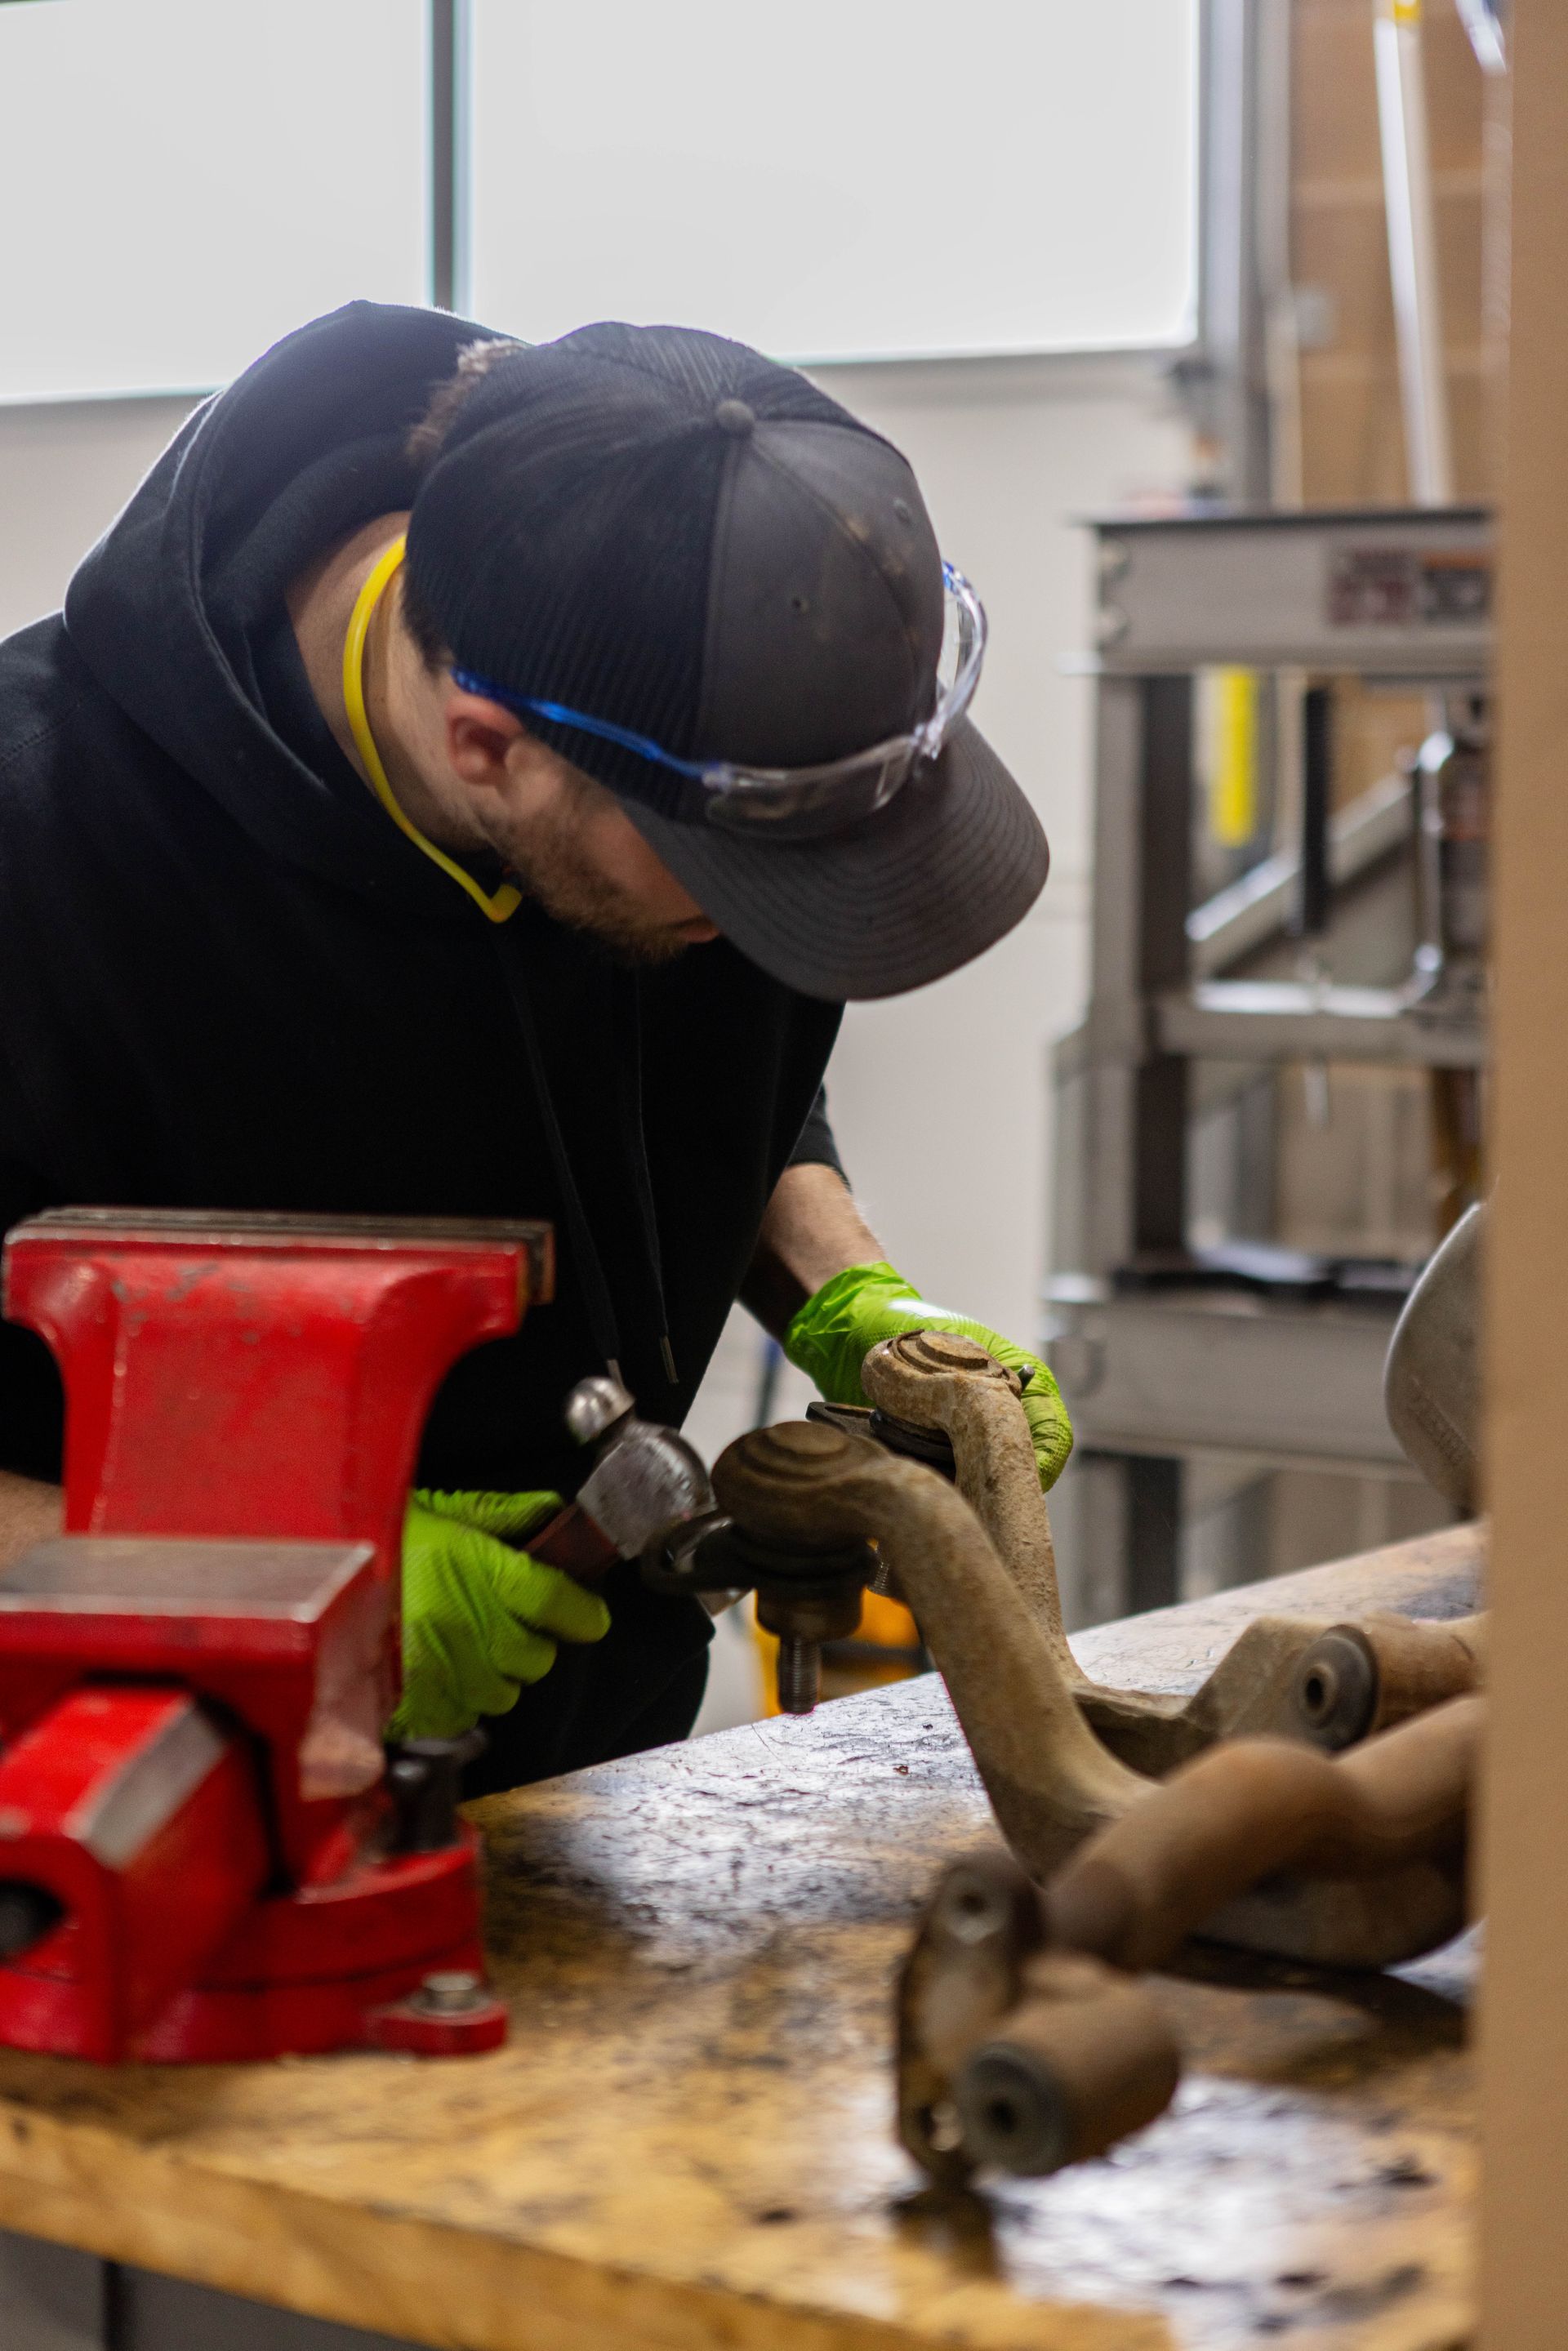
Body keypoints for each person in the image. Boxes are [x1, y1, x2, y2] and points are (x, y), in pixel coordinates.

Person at [0, 301, 1071, 1792]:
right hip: (132, 1852)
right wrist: (240, 1579)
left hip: (590, 1802)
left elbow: (701, 1069)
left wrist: (850, 1296)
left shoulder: (656, 692)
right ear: (486, 743)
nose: (770, 931)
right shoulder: (40, 848)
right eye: (745, 890)